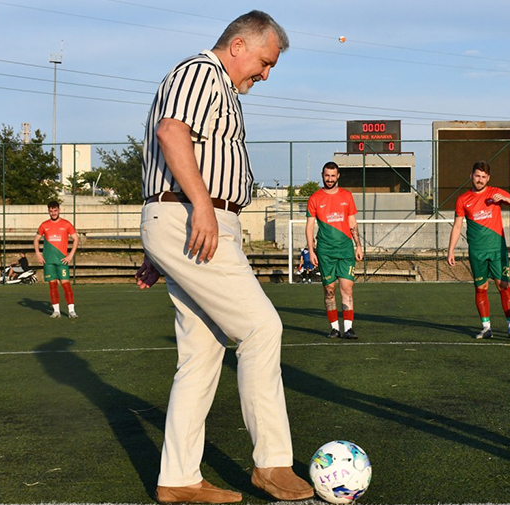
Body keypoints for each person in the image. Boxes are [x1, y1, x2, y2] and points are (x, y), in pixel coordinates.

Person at [134, 11, 313, 504]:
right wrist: (201, 210)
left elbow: (170, 150)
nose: (265, 74)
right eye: (264, 62)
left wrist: (168, 238)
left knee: (201, 355)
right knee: (262, 328)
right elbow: (172, 133)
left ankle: (178, 479)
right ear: (238, 45)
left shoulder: (220, 88)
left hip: (187, 221)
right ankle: (272, 464)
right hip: (196, 220)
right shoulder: (201, 72)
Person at [446, 160, 510, 342]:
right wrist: (450, 250)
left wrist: (505, 199)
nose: (480, 180)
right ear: (471, 176)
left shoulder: (495, 193)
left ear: (488, 178)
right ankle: (486, 327)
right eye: (477, 176)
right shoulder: (463, 199)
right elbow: (457, 226)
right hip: (477, 252)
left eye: (483, 177)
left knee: (503, 286)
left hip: (497, 250)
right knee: (481, 288)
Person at [306, 162, 364, 339]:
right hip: (324, 251)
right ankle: (334, 328)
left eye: (333, 176)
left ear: (338, 176)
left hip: (345, 250)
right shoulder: (315, 198)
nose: (330, 179)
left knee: (347, 289)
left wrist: (358, 245)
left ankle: (348, 328)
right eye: (327, 175)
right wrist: (311, 250)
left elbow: (352, 222)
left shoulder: (347, 196)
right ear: (322, 175)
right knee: (329, 290)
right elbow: (309, 227)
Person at [33, 201, 79, 319]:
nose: (53, 213)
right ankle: (56, 311)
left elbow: (76, 239)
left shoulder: (66, 224)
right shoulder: (44, 225)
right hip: (48, 261)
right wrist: (38, 254)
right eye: (51, 211)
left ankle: (71, 311)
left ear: (59, 210)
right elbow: (36, 240)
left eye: (55, 210)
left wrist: (70, 256)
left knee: (66, 285)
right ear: (48, 211)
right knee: (52, 286)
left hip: (62, 261)